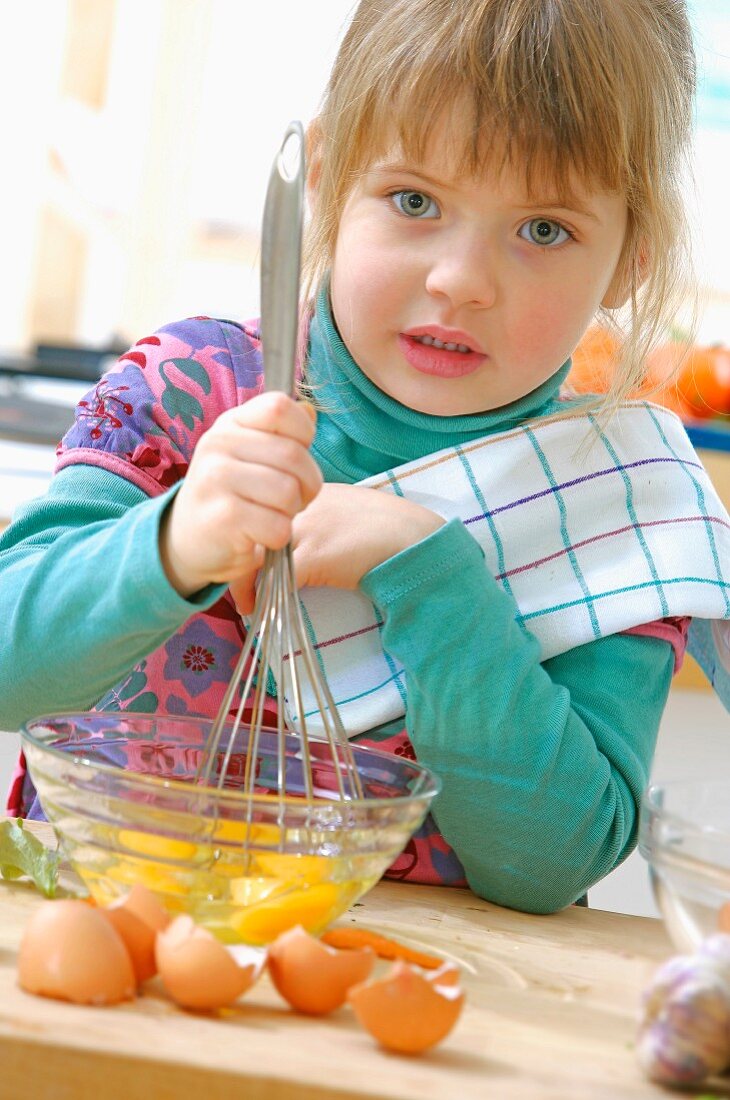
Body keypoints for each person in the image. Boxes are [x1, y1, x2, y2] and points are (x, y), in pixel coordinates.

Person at [2, 0, 729, 914]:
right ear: (330, 187)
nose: (460, 280)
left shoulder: (619, 504)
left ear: (632, 258)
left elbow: (550, 861)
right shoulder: (187, 391)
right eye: (415, 200)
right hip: (104, 952)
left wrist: (430, 578)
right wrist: (173, 540)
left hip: (409, 1002)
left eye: (544, 229)